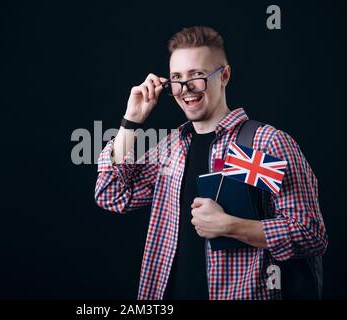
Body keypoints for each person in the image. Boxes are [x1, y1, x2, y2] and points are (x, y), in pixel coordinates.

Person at [94, 26, 327, 300]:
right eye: (176, 78)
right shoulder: (171, 149)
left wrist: (230, 226)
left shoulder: (262, 143)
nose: (186, 88)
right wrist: (131, 120)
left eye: (197, 75)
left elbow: (310, 233)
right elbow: (112, 195)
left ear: (224, 75)